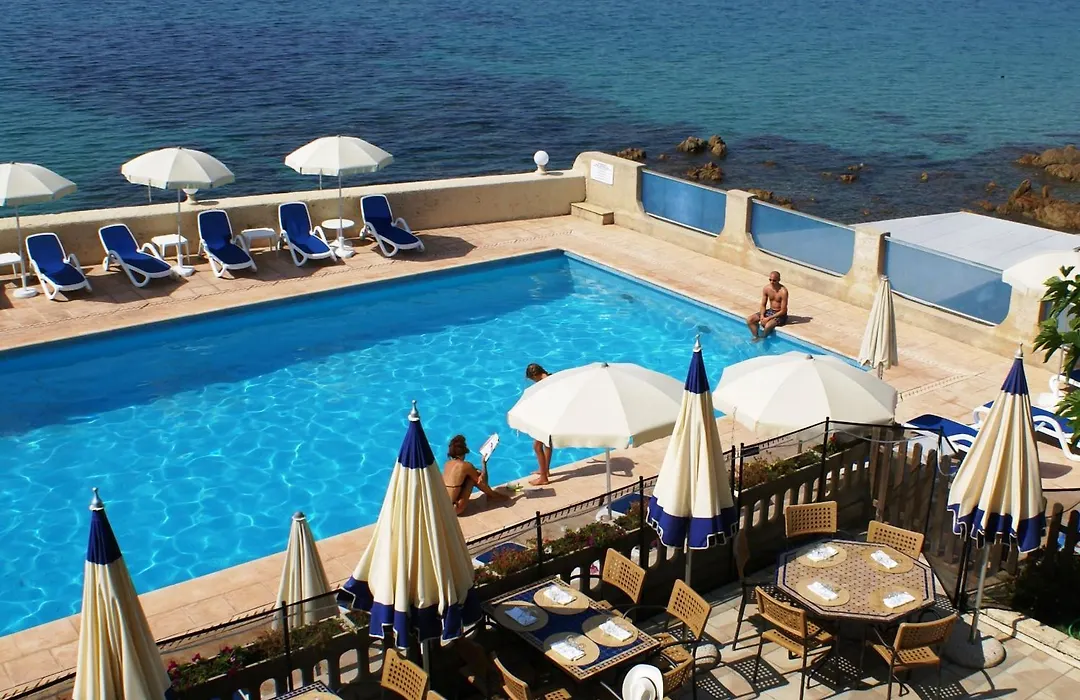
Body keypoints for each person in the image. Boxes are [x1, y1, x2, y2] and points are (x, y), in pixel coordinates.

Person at [443, 435, 509, 516]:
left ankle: (492, 495)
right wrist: (484, 463)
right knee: (472, 479)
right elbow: (482, 482)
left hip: (443, 506)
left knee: (471, 475)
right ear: (464, 451)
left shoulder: (447, 464)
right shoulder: (465, 465)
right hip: (454, 509)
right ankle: (493, 496)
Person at [525, 363, 552, 485]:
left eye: (532, 379)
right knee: (547, 444)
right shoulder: (551, 378)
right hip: (552, 417)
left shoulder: (544, 384)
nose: (533, 382)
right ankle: (545, 470)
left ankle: (543, 478)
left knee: (537, 447)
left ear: (535, 375)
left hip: (546, 418)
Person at [746, 270, 789, 340]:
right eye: (770, 280)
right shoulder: (767, 288)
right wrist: (762, 316)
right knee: (749, 320)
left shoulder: (783, 291)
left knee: (768, 325)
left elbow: (783, 311)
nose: (772, 282)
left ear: (779, 280)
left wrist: (768, 318)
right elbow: (763, 305)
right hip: (771, 311)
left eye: (774, 280)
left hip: (780, 315)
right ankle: (756, 336)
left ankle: (763, 338)